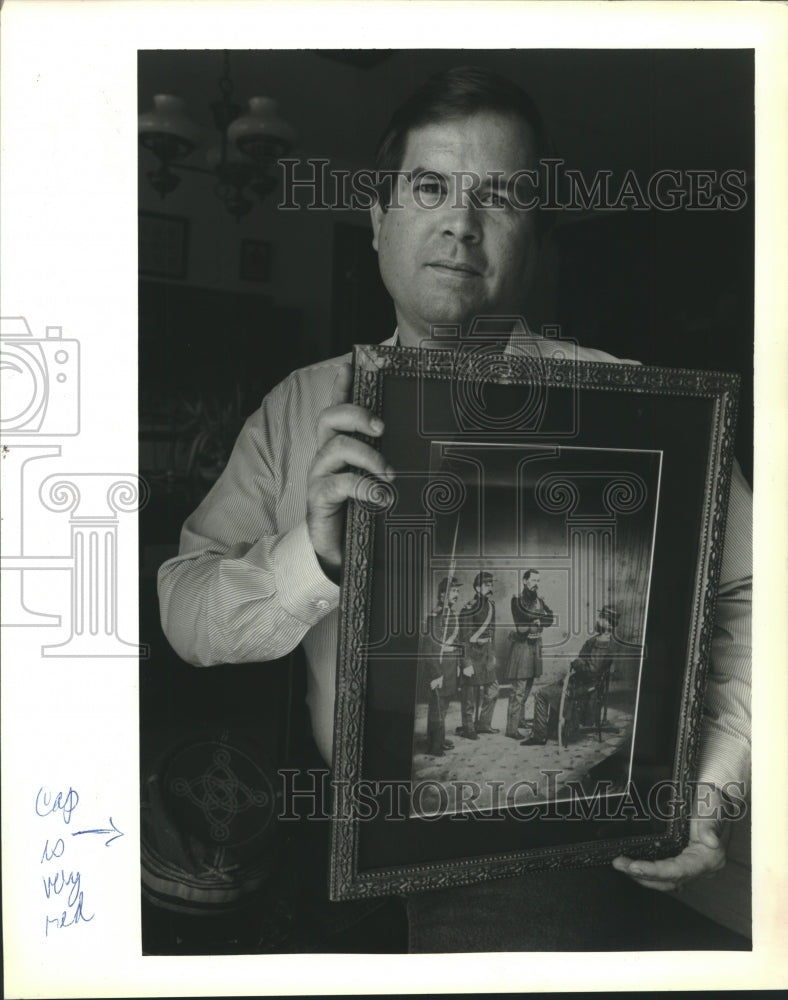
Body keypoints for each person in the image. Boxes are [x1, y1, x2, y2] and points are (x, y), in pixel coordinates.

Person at [158, 66, 752, 950]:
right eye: (429, 186)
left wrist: (711, 786)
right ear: (377, 215)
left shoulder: (638, 408)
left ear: (535, 234)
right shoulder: (298, 407)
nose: (460, 225)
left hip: (535, 854)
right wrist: (309, 561)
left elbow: (757, 600)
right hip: (320, 847)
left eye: (502, 196)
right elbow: (185, 616)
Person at [521, 604, 623, 746]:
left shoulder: (602, 643)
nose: (598, 620)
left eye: (601, 618)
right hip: (583, 683)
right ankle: (550, 730)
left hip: (584, 689)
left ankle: (539, 737)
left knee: (541, 694)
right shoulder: (603, 640)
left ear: (607, 623)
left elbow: (591, 670)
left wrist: (574, 662)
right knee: (551, 690)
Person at [505, 568, 554, 739]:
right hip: (523, 646)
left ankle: (520, 720)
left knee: (528, 685)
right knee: (518, 689)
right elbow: (522, 616)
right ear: (525, 581)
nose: (536, 584)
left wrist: (542, 619)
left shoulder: (539, 600)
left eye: (538, 581)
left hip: (535, 646)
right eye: (533, 581)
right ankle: (511, 729)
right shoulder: (516, 600)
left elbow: (551, 618)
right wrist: (540, 617)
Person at [422, 575, 463, 756]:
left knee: (442, 707)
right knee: (438, 708)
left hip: (449, 668)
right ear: (441, 596)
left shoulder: (450, 614)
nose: (456, 594)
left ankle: (437, 738)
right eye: (452, 591)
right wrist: (436, 674)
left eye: (457, 591)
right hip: (439, 669)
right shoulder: (436, 617)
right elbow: (429, 648)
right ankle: (435, 746)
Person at [456, 571, 499, 738]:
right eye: (487, 585)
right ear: (477, 587)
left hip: (487, 655)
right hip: (473, 655)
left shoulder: (491, 606)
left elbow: (492, 633)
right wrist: (465, 663)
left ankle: (483, 724)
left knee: (493, 690)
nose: (490, 588)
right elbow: (463, 638)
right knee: (469, 695)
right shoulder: (469, 607)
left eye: (491, 585)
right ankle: (468, 729)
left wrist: (493, 653)